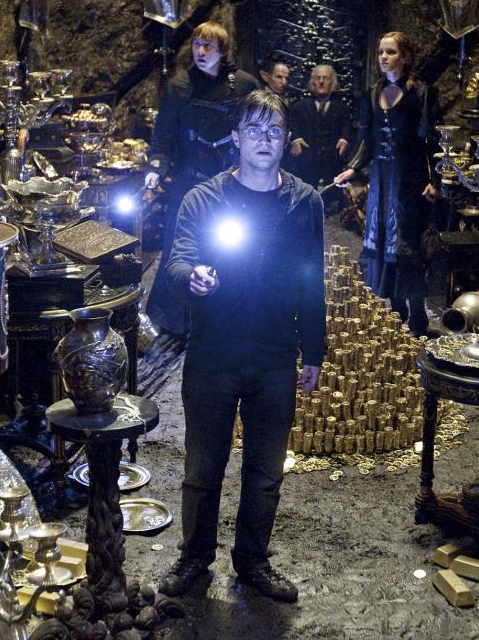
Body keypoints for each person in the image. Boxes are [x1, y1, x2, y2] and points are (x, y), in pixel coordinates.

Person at [159, 90, 325, 603]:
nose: (263, 140)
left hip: (275, 354)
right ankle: (194, 558)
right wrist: (193, 276)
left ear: (287, 139)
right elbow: (177, 258)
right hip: (214, 352)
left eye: (273, 130)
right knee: (202, 469)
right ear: (236, 138)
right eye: (253, 129)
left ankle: (253, 561)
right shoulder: (204, 199)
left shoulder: (305, 202)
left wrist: (314, 350)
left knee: (266, 472)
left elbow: (312, 279)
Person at [143, 21, 259, 336]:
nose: (201, 51)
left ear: (223, 51)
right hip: (189, 183)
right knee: (181, 248)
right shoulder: (179, 86)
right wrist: (156, 167)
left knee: (235, 248)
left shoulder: (246, 86)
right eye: (197, 45)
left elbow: (257, 131)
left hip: (232, 185)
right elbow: (165, 135)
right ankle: (175, 323)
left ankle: (233, 319)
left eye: (209, 46)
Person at [333, 31, 439, 337]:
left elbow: (433, 142)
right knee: (383, 246)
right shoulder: (372, 93)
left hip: (410, 181)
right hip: (381, 182)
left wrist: (435, 180)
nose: (383, 57)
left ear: (404, 57)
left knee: (407, 248)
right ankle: (397, 312)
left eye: (390, 52)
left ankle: (417, 317)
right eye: (380, 51)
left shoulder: (422, 94)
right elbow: (367, 141)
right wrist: (352, 168)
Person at [286, 64, 352, 198]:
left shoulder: (342, 108)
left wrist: (344, 138)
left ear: (332, 83)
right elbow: (291, 123)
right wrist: (296, 138)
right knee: (306, 194)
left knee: (333, 196)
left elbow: (347, 125)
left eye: (325, 78)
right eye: (317, 78)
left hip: (332, 161)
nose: (321, 82)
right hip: (307, 161)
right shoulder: (299, 107)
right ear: (312, 83)